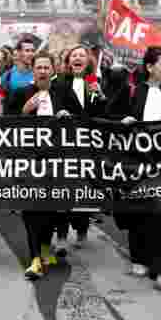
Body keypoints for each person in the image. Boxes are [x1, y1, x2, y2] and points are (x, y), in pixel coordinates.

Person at [108, 46, 161, 292]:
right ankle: (139, 257)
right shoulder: (131, 90)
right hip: (136, 164)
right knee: (138, 211)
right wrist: (121, 122)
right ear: (150, 67)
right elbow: (108, 116)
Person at [7, 52, 65, 280]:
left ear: (53, 70)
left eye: (46, 67)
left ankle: (43, 249)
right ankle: (34, 259)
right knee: (30, 207)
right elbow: (5, 123)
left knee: (50, 207)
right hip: (29, 159)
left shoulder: (63, 91)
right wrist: (23, 112)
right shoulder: (22, 93)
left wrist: (67, 116)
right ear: (33, 71)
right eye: (38, 67)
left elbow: (83, 119)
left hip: (57, 160)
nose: (42, 71)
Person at [49, 45, 107, 251]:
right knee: (64, 190)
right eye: (74, 55)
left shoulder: (95, 83)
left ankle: (82, 229)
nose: (78, 58)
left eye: (82, 55)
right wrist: (60, 113)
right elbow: (55, 106)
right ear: (68, 62)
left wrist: (100, 96)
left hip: (88, 146)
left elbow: (103, 113)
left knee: (84, 189)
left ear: (88, 61)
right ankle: (62, 235)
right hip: (65, 145)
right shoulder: (58, 83)